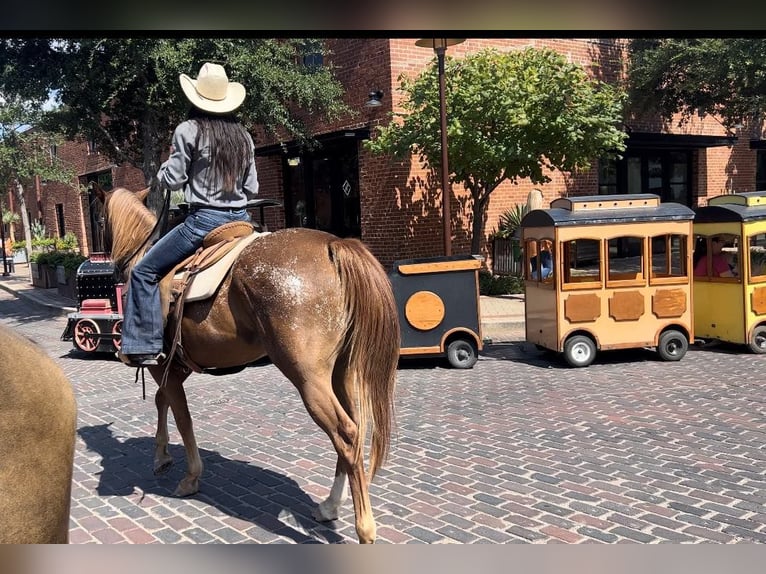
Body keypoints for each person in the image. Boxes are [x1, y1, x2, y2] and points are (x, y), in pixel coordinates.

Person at [120, 62, 259, 367]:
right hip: (242, 223)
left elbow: (174, 180)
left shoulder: (189, 130)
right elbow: (251, 187)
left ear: (196, 99)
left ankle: (144, 345)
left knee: (143, 271)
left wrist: (163, 170)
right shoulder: (244, 137)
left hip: (203, 222)